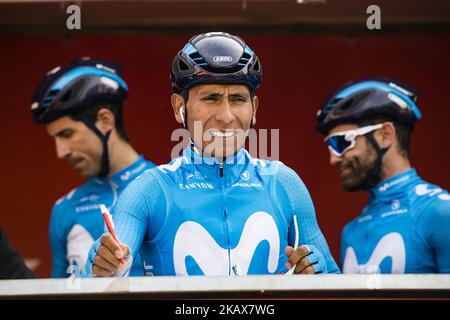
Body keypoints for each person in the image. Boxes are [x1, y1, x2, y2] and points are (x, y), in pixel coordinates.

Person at [86, 32, 339, 277]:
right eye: (211, 98)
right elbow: (110, 265)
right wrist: (106, 266)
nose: (226, 117)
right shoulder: (149, 190)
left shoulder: (284, 182)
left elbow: (340, 287)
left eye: (238, 99)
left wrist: (319, 272)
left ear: (254, 108)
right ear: (179, 107)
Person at [31, 58, 156, 277]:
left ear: (105, 120)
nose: (61, 152)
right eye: (55, 139)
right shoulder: (64, 210)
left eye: (67, 134)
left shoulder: (166, 189)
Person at [316, 77, 450, 273]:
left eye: (342, 143)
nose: (334, 159)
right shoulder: (350, 232)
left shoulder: (440, 212)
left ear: (385, 135)